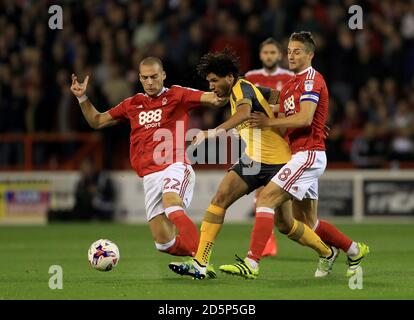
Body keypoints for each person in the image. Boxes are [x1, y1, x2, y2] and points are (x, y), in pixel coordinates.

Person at [168, 49, 336, 280]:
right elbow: (280, 96)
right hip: (253, 159)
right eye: (209, 82)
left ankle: (327, 252)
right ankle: (201, 262)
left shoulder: (242, 90)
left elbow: (245, 113)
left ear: (229, 77)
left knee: (286, 225)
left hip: (278, 161)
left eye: (214, 81)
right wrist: (295, 111)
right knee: (220, 198)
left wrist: (212, 133)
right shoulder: (248, 87)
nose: (212, 86)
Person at [70, 57, 225, 276]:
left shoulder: (178, 94)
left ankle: (200, 262)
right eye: (145, 77)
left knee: (172, 206)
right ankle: (199, 259)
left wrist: (227, 87)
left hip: (175, 165)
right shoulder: (132, 104)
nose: (150, 82)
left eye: (154, 76)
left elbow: (214, 99)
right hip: (149, 175)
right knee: (165, 243)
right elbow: (97, 121)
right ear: (139, 78)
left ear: (163, 75)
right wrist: (82, 97)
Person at [246, 31, 369, 278]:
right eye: (289, 51)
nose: (291, 55)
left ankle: (251, 262)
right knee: (307, 221)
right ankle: (353, 250)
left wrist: (267, 124)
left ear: (310, 54)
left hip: (309, 154)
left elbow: (304, 118)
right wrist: (243, 97)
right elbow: (280, 109)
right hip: (299, 154)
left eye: (297, 51)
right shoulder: (292, 84)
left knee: (266, 199)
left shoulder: (312, 79)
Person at [244, 37, 294, 257]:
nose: (269, 56)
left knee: (284, 194)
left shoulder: (290, 77)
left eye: (273, 52)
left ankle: (306, 229)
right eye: (266, 53)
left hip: (283, 139)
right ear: (260, 55)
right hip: (257, 138)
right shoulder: (250, 78)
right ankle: (267, 242)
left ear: (279, 55)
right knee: (260, 189)